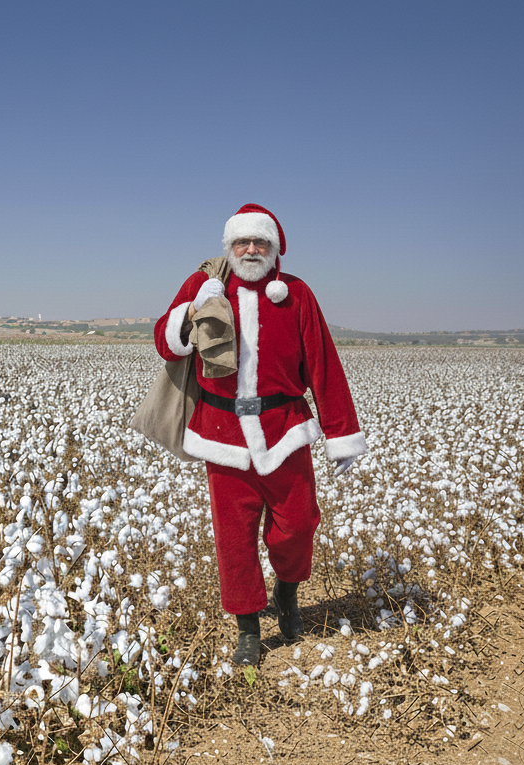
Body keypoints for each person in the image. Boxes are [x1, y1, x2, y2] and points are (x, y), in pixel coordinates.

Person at [153, 204, 367, 665]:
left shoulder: (296, 293)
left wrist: (341, 432)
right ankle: (248, 627)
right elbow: (164, 340)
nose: (251, 250)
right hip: (222, 435)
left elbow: (323, 365)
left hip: (285, 430)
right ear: (229, 247)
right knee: (234, 538)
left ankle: (286, 596)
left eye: (260, 242)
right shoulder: (205, 285)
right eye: (242, 242)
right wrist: (192, 311)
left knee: (298, 524)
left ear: (274, 249)